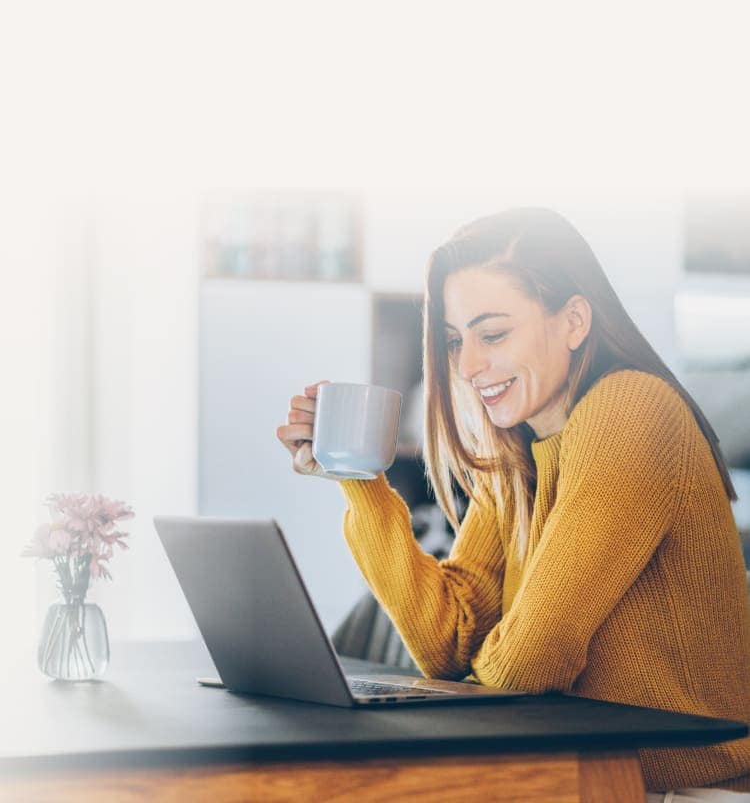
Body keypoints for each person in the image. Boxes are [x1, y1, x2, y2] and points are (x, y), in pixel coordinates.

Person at [276, 207, 750, 799]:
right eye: (455, 340)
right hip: (577, 771)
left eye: (492, 334)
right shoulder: (519, 450)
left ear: (574, 321)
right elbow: (445, 644)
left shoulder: (632, 410)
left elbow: (531, 661)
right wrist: (358, 479)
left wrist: (470, 683)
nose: (468, 366)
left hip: (682, 788)